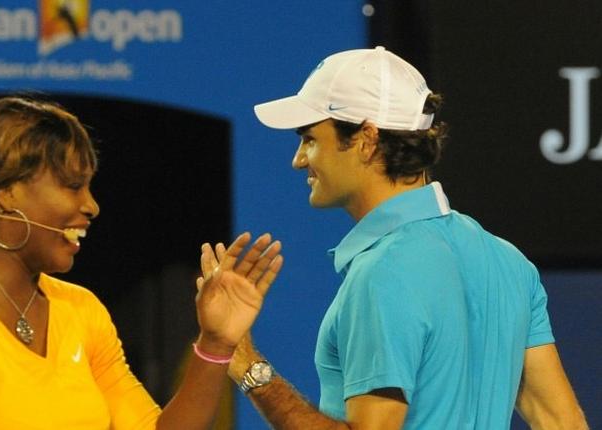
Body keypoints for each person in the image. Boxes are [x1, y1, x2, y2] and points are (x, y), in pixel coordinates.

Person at [201, 46, 589, 429]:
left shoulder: (382, 273)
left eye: (310, 138)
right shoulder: (507, 260)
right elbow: (563, 422)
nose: (299, 159)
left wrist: (250, 368)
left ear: (366, 139)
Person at [0, 96, 283, 429]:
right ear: (6, 193)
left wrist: (215, 345)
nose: (91, 206)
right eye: (72, 186)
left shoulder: (81, 311)